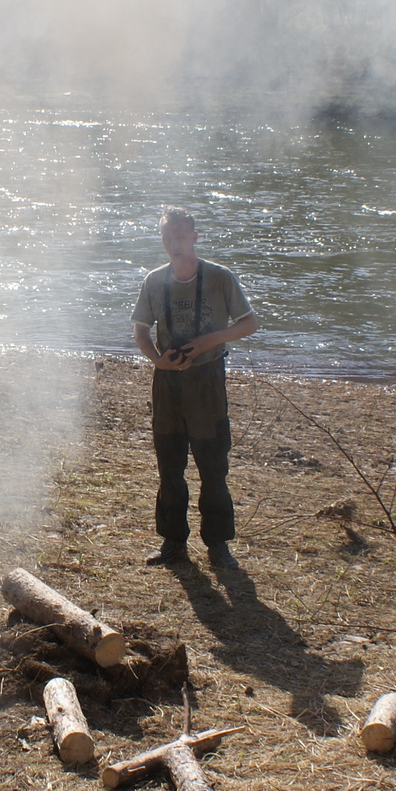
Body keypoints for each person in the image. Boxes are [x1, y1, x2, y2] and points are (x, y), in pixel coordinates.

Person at [131, 209, 260, 569]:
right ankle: (173, 543)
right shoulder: (154, 281)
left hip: (206, 381)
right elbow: (140, 331)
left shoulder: (220, 278)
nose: (175, 244)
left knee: (213, 466)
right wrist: (158, 360)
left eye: (181, 237)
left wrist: (208, 341)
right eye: (168, 238)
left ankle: (218, 546)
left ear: (194, 237)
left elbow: (249, 323)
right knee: (169, 466)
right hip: (167, 383)